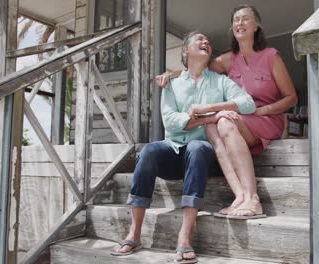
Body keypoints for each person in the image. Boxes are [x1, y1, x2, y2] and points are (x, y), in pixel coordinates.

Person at [110, 31, 256, 264]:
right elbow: (170, 121)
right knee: (148, 151)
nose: (205, 41)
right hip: (175, 151)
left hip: (206, 156)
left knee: (197, 146)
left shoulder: (220, 81)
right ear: (185, 51)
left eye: (208, 40)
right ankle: (134, 233)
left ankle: (185, 236)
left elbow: (248, 104)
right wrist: (211, 118)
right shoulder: (172, 83)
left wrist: (211, 107)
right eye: (199, 39)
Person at [156, 4, 297, 218]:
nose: (239, 23)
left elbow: (291, 98)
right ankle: (239, 196)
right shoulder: (227, 60)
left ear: (256, 26)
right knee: (212, 125)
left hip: (267, 119)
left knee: (222, 122)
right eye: (236, 20)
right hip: (241, 118)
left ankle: (253, 198)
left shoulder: (271, 56)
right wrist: (172, 74)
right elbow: (196, 67)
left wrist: (262, 110)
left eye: (245, 19)